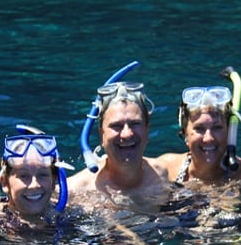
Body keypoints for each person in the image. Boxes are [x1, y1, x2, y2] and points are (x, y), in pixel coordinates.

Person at [68, 81, 171, 211]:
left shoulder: (161, 174)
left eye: (135, 124)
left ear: (147, 130)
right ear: (101, 134)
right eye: (116, 126)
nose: (127, 134)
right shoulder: (76, 190)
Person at [0, 126, 73, 230]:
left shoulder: (72, 213)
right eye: (24, 176)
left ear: (53, 181)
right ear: (5, 183)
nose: (34, 184)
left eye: (42, 175)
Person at [156, 86, 241, 186]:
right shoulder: (164, 171)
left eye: (217, 128)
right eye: (199, 129)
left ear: (229, 132)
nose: (208, 138)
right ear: (184, 133)